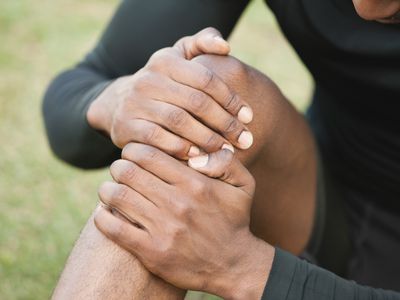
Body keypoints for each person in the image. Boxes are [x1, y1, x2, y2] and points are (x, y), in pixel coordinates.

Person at [43, 0, 400, 298]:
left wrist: (247, 270)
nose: (367, 8)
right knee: (206, 98)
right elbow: (81, 88)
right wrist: (119, 99)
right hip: (328, 208)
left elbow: (250, 272)